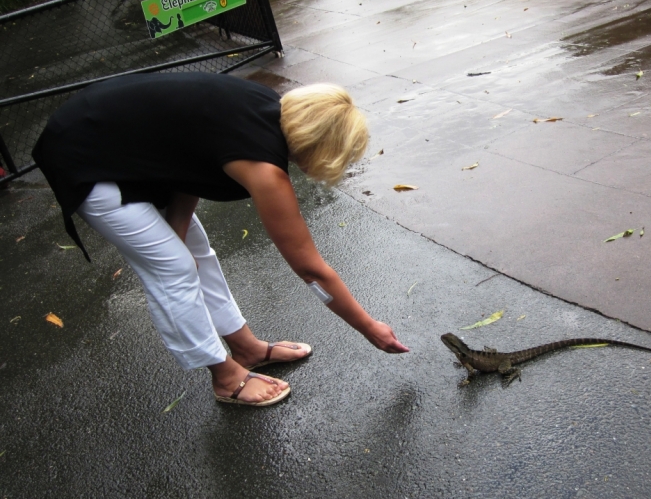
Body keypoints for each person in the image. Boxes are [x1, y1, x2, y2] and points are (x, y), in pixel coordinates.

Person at [32, 72, 409, 407]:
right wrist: (369, 327)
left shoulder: (269, 112)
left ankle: (245, 348)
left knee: (195, 250)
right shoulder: (263, 165)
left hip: (116, 145)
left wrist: (177, 230)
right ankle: (226, 378)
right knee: (173, 267)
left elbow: (192, 161)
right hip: (82, 153)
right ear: (323, 145)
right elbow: (311, 270)